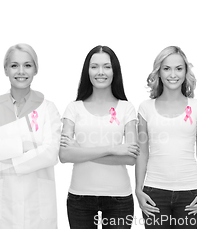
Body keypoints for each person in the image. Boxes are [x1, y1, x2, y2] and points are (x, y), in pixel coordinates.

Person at [0, 43, 61, 229]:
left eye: (27, 65)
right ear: (5, 69)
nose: (21, 71)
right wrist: (23, 145)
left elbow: (52, 152)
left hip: (38, 208)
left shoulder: (48, 108)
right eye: (14, 65)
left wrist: (8, 158)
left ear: (36, 69)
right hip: (1, 207)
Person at [59, 45, 138, 229]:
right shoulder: (73, 108)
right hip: (80, 198)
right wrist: (112, 149)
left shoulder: (127, 108)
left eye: (106, 66)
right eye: (94, 66)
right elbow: (64, 156)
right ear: (87, 71)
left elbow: (130, 158)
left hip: (119, 198)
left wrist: (80, 150)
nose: (100, 72)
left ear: (114, 71)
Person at [135, 46, 197, 229]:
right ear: (158, 72)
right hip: (154, 191)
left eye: (178, 68)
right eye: (166, 68)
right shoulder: (145, 108)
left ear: (185, 72)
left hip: (190, 191)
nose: (173, 74)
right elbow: (142, 153)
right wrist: (138, 189)